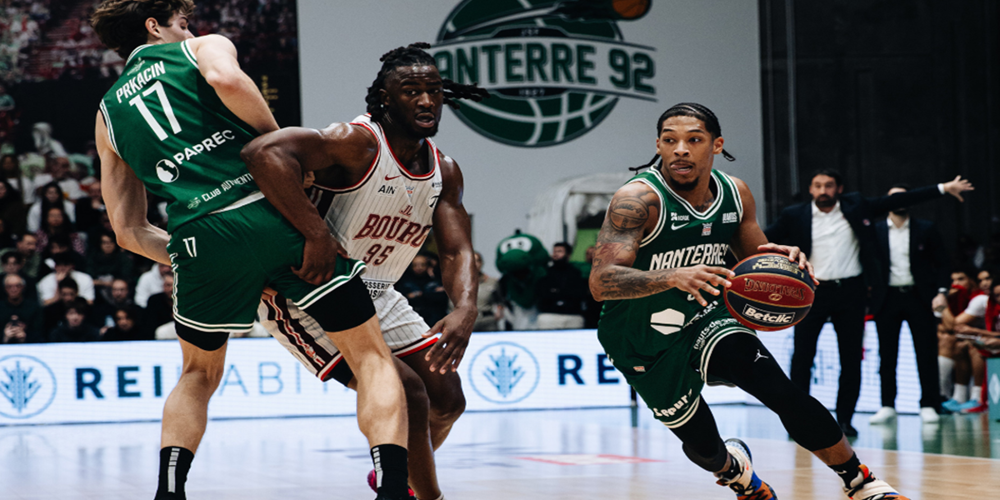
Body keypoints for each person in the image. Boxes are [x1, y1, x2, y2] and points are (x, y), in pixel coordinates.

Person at [91, 2, 409, 499]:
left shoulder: (106, 115)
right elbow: (227, 79)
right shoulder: (202, 48)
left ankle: (169, 491)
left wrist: (198, 258)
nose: (190, 30)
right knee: (371, 359)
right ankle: (390, 488)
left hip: (196, 235)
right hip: (268, 211)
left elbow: (128, 231)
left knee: (197, 375)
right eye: (182, 22)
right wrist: (279, 146)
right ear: (154, 26)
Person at [590, 102, 909, 500]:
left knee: (779, 390)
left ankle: (861, 482)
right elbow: (600, 282)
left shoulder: (735, 194)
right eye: (669, 141)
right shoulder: (637, 200)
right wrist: (673, 275)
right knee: (704, 447)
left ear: (717, 145)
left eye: (694, 139)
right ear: (658, 145)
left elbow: (756, 260)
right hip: (639, 336)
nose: (680, 150)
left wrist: (784, 262)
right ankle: (737, 474)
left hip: (707, 316)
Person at [244, 42, 485, 500]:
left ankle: (402, 472)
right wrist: (316, 234)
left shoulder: (445, 170)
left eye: (434, 90)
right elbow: (263, 153)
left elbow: (456, 251)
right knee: (407, 392)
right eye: (411, 91)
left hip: (378, 292)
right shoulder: (356, 143)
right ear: (385, 100)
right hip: (309, 294)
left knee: (448, 400)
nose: (426, 100)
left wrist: (465, 307)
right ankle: (422, 494)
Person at [764, 169, 973, 435]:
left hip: (851, 292)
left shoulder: (856, 206)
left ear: (839, 189)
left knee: (851, 360)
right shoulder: (794, 215)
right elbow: (762, 238)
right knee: (802, 358)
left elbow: (897, 201)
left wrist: (942, 188)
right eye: (817, 185)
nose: (823, 191)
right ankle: (799, 420)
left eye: (829, 185)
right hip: (812, 292)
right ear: (810, 189)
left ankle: (844, 420)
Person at [869, 185, 950, 424]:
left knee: (926, 352)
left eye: (904, 197)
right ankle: (887, 404)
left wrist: (942, 292)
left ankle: (929, 403)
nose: (900, 201)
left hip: (919, 296)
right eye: (895, 197)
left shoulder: (926, 228)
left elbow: (943, 263)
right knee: (887, 354)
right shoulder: (875, 230)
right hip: (887, 298)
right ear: (886, 202)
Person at [535, 242, 587, 329]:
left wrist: (557, 292)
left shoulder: (575, 273)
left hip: (572, 315)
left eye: (559, 251)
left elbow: (579, 293)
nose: (556, 254)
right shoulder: (546, 273)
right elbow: (542, 293)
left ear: (568, 254)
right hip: (549, 314)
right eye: (554, 251)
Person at [395, 253, 449, 327]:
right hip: (411, 320)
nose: (419, 267)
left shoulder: (435, 281)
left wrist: (419, 294)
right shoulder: (405, 281)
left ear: (427, 266)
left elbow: (441, 298)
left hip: (433, 320)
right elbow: (402, 299)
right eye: (415, 265)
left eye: (422, 265)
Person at [0, 273, 44, 343]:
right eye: (9, 286)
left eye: (17, 286)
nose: (14, 289)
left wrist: (25, 338)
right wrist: (4, 338)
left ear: (23, 287)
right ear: (5, 288)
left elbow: (40, 332)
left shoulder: (33, 308)